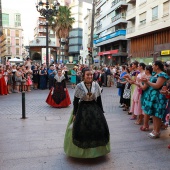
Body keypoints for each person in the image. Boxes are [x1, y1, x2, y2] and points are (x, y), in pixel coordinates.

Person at [64, 68, 110, 158]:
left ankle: (97, 151)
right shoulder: (79, 86)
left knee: (98, 129)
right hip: (82, 109)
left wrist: (101, 111)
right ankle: (83, 152)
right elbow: (76, 101)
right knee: (81, 129)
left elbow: (99, 99)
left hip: (94, 108)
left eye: (91, 75)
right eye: (88, 75)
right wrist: (75, 114)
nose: (90, 76)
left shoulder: (96, 85)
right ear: (83, 76)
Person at [141, 61, 169, 139]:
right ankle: (154, 130)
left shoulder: (162, 75)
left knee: (157, 114)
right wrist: (146, 81)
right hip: (153, 96)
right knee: (154, 113)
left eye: (153, 65)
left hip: (159, 97)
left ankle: (157, 131)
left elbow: (157, 86)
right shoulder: (155, 74)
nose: (152, 67)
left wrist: (147, 82)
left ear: (157, 66)